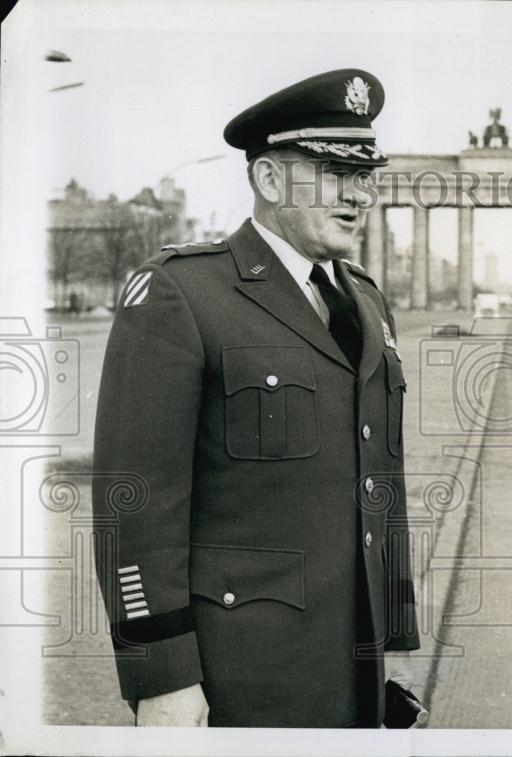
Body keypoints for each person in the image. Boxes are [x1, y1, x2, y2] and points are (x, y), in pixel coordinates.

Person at [92, 69, 418, 728]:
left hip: (354, 671)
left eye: (366, 174)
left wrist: (397, 641)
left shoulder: (367, 300)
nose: (359, 193)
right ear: (269, 181)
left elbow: (382, 490)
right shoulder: (183, 295)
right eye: (333, 171)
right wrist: (162, 675)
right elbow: (135, 502)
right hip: (238, 677)